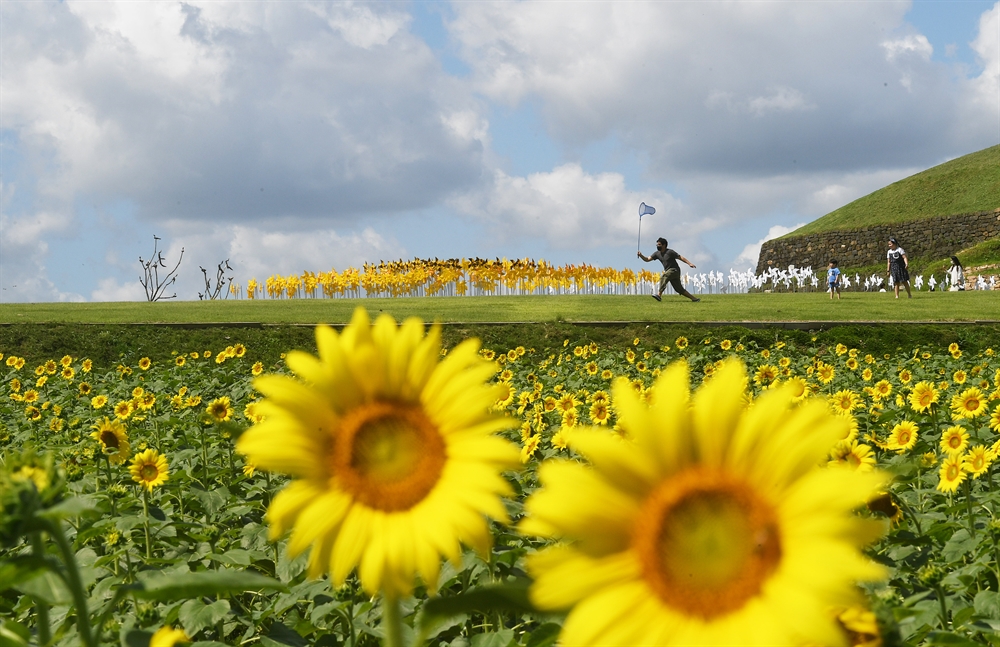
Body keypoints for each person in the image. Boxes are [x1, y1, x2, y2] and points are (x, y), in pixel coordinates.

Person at [638, 237, 700, 302]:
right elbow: (647, 259)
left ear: (664, 245)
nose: (657, 246)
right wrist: (641, 255)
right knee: (679, 289)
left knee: (664, 276)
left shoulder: (670, 252)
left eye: (659, 245)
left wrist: (689, 263)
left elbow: (680, 257)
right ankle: (694, 299)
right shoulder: (657, 253)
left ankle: (659, 295)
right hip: (669, 271)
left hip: (674, 270)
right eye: (657, 245)